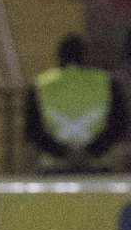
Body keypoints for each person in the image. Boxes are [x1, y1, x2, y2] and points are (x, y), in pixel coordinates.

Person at [25, 33, 128, 173]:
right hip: (97, 162)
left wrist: (62, 152)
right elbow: (119, 125)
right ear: (86, 55)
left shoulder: (40, 84)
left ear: (59, 56)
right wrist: (92, 151)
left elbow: (32, 130)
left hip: (55, 163)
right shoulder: (107, 82)